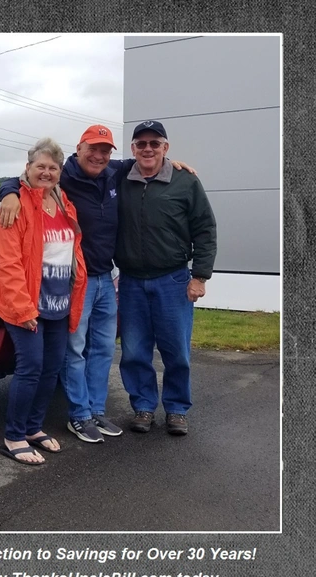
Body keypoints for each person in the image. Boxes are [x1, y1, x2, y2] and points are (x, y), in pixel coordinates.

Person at [0, 125, 197, 443]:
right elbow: (25, 179)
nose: (99, 155)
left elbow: (148, 159)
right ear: (79, 148)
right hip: (79, 281)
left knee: (104, 350)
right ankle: (78, 416)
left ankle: (95, 411)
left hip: (108, 277)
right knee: (74, 351)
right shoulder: (66, 176)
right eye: (93, 148)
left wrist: (175, 164)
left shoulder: (113, 172)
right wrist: (7, 192)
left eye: (106, 150)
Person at [0, 137, 87, 465]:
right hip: (25, 303)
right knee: (30, 367)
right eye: (40, 166)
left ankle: (33, 428)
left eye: (52, 168)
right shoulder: (14, 204)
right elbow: (8, 261)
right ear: (27, 168)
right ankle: (13, 436)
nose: (46, 172)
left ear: (60, 172)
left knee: (51, 369)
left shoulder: (63, 202)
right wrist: (22, 308)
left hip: (58, 303)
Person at [116, 120, 216, 435]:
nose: (148, 149)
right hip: (131, 281)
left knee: (177, 352)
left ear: (165, 147)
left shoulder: (186, 182)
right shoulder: (120, 177)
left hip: (172, 280)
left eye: (154, 143)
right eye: (141, 144)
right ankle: (143, 408)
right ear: (132, 149)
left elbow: (205, 229)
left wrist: (199, 276)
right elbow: (78, 167)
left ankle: (176, 410)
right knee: (134, 352)